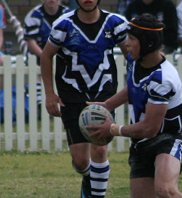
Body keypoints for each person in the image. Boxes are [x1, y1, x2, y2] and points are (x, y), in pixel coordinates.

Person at [87, 13, 182, 198]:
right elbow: (133, 87)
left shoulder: (162, 79)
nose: (126, 43)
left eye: (132, 39)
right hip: (141, 144)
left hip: (167, 138)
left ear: (148, 43)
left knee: (165, 190)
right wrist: (107, 105)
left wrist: (112, 129)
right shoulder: (135, 61)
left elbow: (150, 128)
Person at [40, 0, 128, 197]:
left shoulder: (115, 23)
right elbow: (46, 56)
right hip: (72, 96)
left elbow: (131, 53)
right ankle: (90, 178)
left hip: (104, 97)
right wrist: (49, 94)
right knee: (80, 161)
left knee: (99, 150)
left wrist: (135, 84)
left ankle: (96, 194)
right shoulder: (64, 25)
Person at [24, 0, 70, 65]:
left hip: (64, 59)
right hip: (37, 61)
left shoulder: (68, 15)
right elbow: (31, 43)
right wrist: (46, 58)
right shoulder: (33, 15)